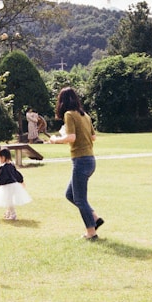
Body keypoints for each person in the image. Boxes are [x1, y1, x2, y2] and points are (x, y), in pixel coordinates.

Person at [49, 87, 103, 240]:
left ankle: (91, 232)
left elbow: (71, 138)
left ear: (62, 101)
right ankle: (95, 218)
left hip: (81, 160)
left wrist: (55, 140)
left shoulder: (69, 114)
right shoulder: (85, 115)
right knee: (70, 194)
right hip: (90, 160)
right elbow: (93, 137)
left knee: (79, 199)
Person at [0, 147, 32, 220]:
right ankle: (8, 213)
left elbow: (1, 177)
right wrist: (21, 181)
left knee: (8, 200)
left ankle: (13, 215)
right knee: (8, 200)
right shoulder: (11, 165)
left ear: (3, 157)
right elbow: (17, 174)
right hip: (14, 186)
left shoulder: (3, 167)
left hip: (8, 186)